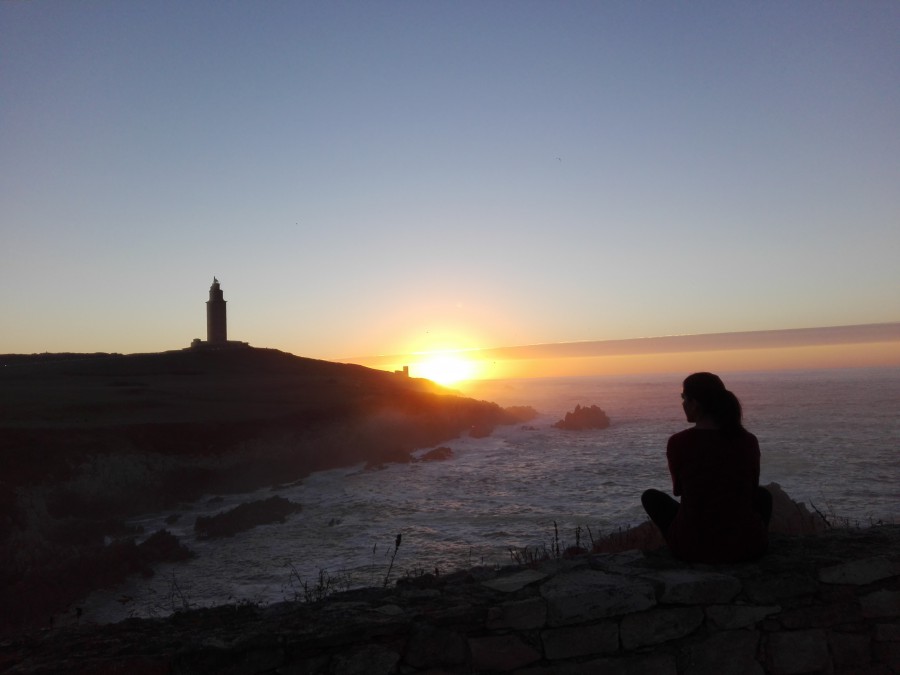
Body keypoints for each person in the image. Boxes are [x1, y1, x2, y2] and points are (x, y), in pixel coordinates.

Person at [641, 372, 772, 563]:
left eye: (684, 398)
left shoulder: (679, 442)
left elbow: (678, 490)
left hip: (692, 549)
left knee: (651, 498)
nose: (683, 404)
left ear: (695, 403)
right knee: (763, 496)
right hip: (748, 548)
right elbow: (752, 488)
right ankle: (751, 538)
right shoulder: (748, 440)